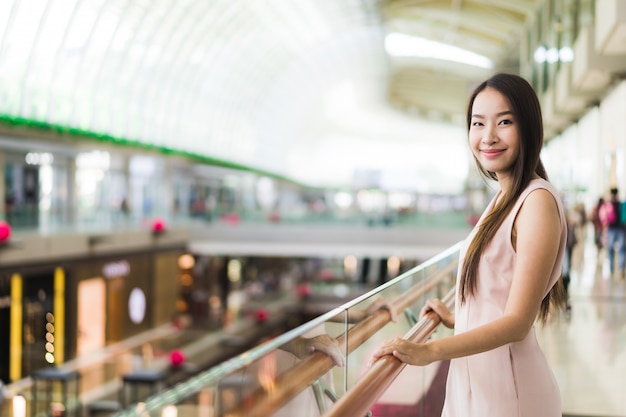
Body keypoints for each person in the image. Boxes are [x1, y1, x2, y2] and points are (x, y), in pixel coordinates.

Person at [371, 73, 567, 417]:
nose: (488, 136)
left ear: (529, 128)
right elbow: (500, 289)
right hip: (479, 384)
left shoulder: (536, 202)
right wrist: (460, 316)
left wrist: (430, 351)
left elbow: (518, 321)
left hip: (510, 395)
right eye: (478, 123)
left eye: (504, 121)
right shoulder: (505, 197)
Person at [599, 187, 624, 278]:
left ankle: (611, 269)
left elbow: (604, 218)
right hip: (621, 229)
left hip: (611, 229)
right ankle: (621, 268)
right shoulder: (621, 204)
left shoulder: (608, 205)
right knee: (622, 250)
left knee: (610, 250)